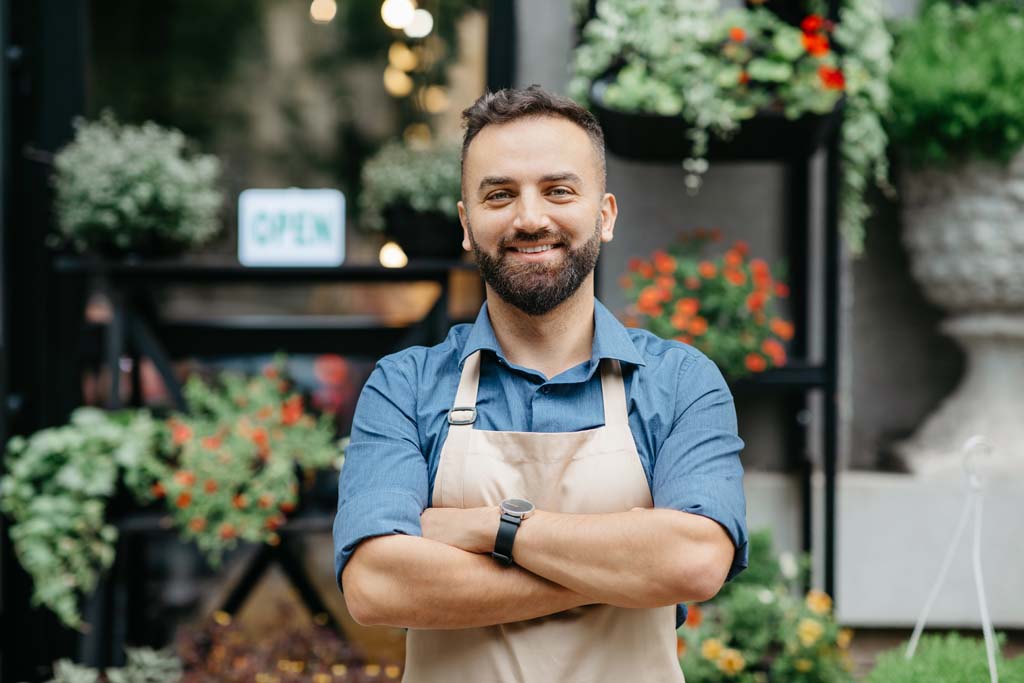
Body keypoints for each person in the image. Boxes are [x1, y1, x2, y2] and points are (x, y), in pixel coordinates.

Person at [333, 85, 748, 682]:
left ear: (604, 215)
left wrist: (491, 528)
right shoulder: (405, 386)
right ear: (467, 224)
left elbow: (695, 561)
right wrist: (621, 574)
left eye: (558, 191)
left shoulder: (679, 383)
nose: (530, 219)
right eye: (500, 195)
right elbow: (376, 586)